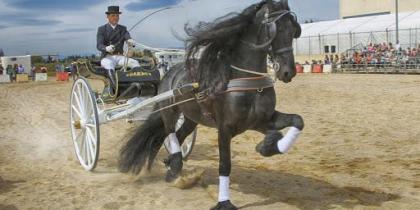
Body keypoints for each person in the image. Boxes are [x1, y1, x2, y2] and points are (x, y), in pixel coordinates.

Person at [96, 6, 140, 92]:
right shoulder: (102, 29)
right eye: (113, 15)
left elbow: (127, 37)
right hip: (107, 57)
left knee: (135, 62)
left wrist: (130, 41)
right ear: (108, 17)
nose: (115, 18)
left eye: (117, 15)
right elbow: (99, 45)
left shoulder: (123, 29)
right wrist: (106, 48)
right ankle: (116, 90)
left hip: (120, 56)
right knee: (109, 64)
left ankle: (136, 87)